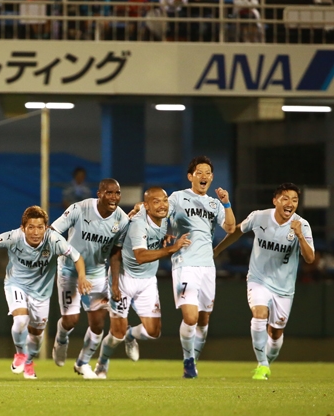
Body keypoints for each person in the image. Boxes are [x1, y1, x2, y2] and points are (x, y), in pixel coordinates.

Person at [214, 183, 314, 380]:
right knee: (259, 314)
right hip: (258, 279)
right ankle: (262, 364)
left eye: (294, 200)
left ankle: (267, 361)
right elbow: (238, 231)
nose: (290, 203)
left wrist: (300, 236)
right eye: (285, 198)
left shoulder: (301, 224)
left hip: (284, 288)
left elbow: (310, 259)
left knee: (276, 334)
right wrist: (218, 249)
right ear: (275, 201)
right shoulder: (259, 217)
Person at [0, 206, 90, 379]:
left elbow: (77, 257)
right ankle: (20, 354)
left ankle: (29, 361)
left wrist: (82, 276)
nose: (35, 232)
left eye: (40, 227)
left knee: (37, 335)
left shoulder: (54, 240)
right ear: (23, 227)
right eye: (31, 227)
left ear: (46, 228)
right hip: (16, 285)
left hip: (41, 293)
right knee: (20, 319)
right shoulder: (13, 237)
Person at [94, 187, 190, 378]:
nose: (162, 205)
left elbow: (161, 217)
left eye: (165, 200)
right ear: (147, 206)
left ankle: (131, 335)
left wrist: (164, 236)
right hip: (124, 279)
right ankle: (102, 363)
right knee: (116, 335)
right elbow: (141, 256)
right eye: (156, 202)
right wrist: (172, 248)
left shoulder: (163, 213)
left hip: (147, 281)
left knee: (154, 332)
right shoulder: (138, 224)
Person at [51, 178, 130, 379]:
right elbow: (53, 232)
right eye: (109, 193)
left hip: (96, 274)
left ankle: (82, 363)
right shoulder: (79, 208)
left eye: (117, 193)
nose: (114, 197)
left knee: (98, 323)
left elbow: (115, 253)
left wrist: (114, 284)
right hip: (69, 270)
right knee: (70, 320)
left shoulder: (122, 220)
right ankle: (61, 339)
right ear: (99, 193)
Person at [168, 155, 235, 378]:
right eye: (200, 172)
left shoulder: (214, 204)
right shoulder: (178, 197)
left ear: (212, 177)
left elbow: (230, 228)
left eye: (208, 173)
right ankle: (188, 360)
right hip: (184, 263)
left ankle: (193, 360)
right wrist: (166, 233)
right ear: (190, 177)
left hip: (207, 266)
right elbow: (160, 215)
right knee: (190, 318)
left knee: (204, 320)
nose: (204, 176)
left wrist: (226, 204)